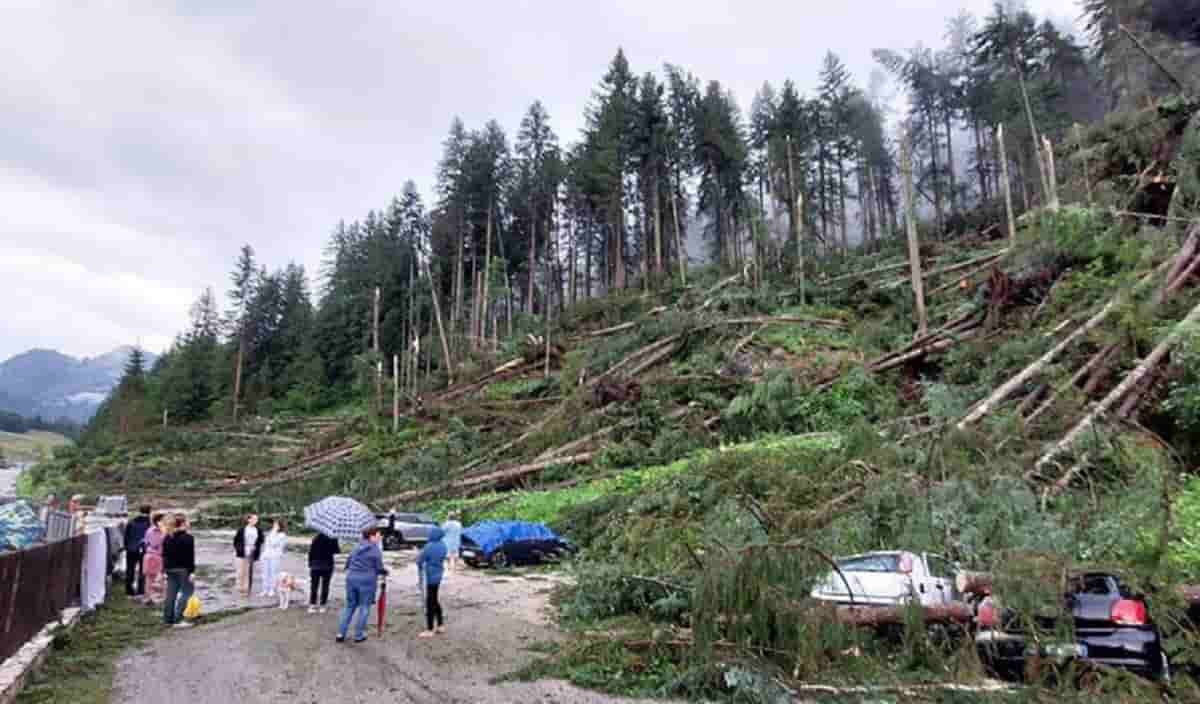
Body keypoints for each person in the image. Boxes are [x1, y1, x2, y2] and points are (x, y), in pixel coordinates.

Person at [336, 527, 387, 643]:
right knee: (364, 607)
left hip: (351, 578)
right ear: (371, 536)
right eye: (378, 535)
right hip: (367, 581)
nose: (380, 537)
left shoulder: (356, 547)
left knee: (349, 606)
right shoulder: (375, 550)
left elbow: (348, 563)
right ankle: (358, 635)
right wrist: (384, 572)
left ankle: (340, 633)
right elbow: (379, 568)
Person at [162, 513, 196, 628]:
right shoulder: (188, 538)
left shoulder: (167, 537)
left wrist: (164, 570)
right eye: (187, 521)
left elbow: (164, 555)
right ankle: (178, 619)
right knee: (187, 592)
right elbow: (190, 557)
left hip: (169, 569)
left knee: (170, 594)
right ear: (183, 523)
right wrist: (192, 572)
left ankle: (168, 620)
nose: (189, 523)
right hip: (183, 569)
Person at [416, 526, 447, 638]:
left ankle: (429, 629)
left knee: (430, 602)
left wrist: (419, 556)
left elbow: (419, 560)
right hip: (439, 575)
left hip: (429, 577)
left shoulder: (429, 546)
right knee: (435, 599)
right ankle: (440, 625)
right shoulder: (443, 545)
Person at [307, 532, 340, 614]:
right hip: (327, 565)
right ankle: (322, 605)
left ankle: (312, 605)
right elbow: (337, 551)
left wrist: (310, 563)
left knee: (314, 586)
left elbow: (310, 552)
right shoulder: (333, 538)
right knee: (325, 586)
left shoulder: (315, 538)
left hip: (315, 565)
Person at [123, 505, 152, 597]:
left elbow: (126, 536)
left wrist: (126, 546)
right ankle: (140, 590)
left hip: (131, 549)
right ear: (149, 512)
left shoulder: (131, 522)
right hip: (144, 549)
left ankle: (129, 591)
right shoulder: (149, 523)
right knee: (142, 571)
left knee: (130, 570)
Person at [233, 514, 264, 597]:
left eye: (256, 519)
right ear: (249, 520)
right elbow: (236, 541)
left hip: (252, 552)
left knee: (248, 571)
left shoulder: (258, 530)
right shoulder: (242, 529)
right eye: (253, 519)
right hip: (242, 551)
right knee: (240, 571)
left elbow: (261, 540)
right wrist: (239, 549)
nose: (255, 521)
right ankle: (240, 588)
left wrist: (256, 546)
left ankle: (246, 589)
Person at [141, 512, 167, 606]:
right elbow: (155, 543)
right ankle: (160, 598)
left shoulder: (150, 530)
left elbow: (145, 542)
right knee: (158, 578)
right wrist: (164, 533)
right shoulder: (157, 531)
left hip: (151, 556)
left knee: (150, 578)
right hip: (155, 556)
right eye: (164, 520)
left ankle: (149, 598)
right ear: (159, 521)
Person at [259, 519, 288, 598]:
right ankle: (265, 589)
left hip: (275, 556)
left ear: (280, 526)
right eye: (274, 524)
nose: (274, 526)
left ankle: (271, 589)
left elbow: (273, 543)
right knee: (265, 573)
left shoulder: (282, 535)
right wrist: (263, 555)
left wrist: (273, 532)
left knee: (273, 573)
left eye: (276, 524)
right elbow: (266, 544)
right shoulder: (270, 533)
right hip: (266, 555)